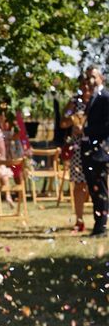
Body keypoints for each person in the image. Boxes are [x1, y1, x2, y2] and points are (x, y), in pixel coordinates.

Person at [60, 77, 92, 233]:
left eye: (88, 84)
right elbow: (63, 122)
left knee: (97, 184)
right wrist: (72, 119)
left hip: (95, 146)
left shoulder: (99, 101)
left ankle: (101, 220)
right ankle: (79, 220)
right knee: (79, 184)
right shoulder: (74, 103)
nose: (86, 87)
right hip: (78, 148)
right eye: (83, 84)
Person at [81, 64, 109, 238]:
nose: (90, 80)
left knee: (101, 187)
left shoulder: (105, 97)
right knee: (93, 187)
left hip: (100, 149)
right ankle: (98, 223)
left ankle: (102, 225)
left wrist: (87, 131)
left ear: (101, 78)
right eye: (88, 77)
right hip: (89, 148)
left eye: (93, 77)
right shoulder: (90, 97)